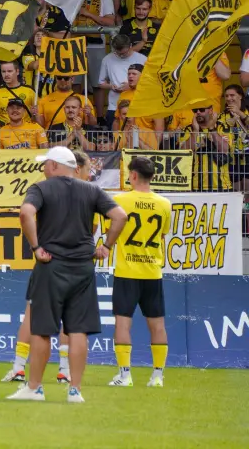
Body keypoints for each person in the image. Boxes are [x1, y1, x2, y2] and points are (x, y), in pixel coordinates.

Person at [9, 145, 126, 403]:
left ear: (53, 165)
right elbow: (120, 216)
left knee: (41, 330)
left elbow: (26, 213)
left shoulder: (41, 188)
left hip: (51, 266)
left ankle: (34, 388)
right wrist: (106, 246)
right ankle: (75, 390)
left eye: (45, 164)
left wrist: (36, 247)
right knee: (78, 331)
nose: (43, 169)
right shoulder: (92, 189)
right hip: (82, 267)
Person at [108, 155, 171, 388]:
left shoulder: (119, 201)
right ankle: (158, 376)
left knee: (123, 324)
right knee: (157, 325)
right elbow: (163, 234)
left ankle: (125, 375)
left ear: (133, 175)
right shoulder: (165, 204)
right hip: (152, 272)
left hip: (127, 271)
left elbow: (111, 230)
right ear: (152, 176)